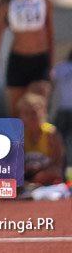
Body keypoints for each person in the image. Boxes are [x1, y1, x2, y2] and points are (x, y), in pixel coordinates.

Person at [16, 92, 65, 187]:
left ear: (43, 112)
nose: (31, 117)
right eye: (26, 113)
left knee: (46, 175)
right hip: (28, 173)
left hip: (46, 172)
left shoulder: (51, 134)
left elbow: (57, 163)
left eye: (34, 112)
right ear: (21, 116)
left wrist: (40, 167)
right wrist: (27, 167)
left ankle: (30, 185)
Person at [52, 49, 72, 178]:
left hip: (63, 110)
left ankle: (63, 172)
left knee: (61, 143)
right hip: (63, 110)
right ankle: (62, 172)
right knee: (59, 143)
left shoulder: (60, 67)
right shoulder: (61, 67)